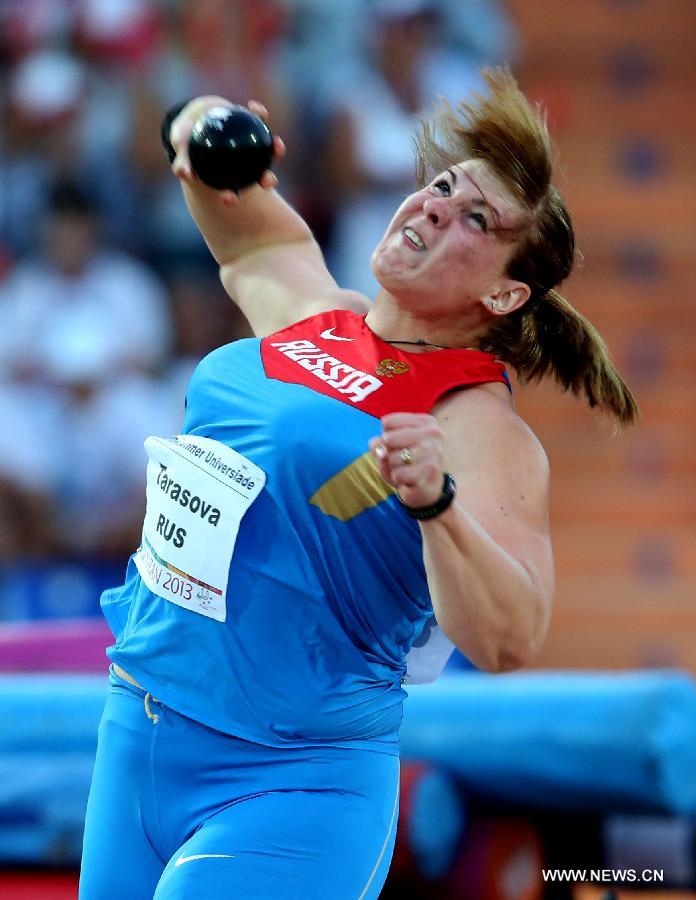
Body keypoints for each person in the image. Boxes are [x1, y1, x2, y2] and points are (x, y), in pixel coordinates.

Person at [79, 69, 638, 899]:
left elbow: (510, 637)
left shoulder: (477, 427)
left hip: (293, 781)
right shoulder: (312, 312)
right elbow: (234, 215)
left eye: (476, 220)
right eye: (443, 188)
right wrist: (209, 123)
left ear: (504, 291)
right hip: (139, 731)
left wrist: (438, 508)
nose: (436, 209)